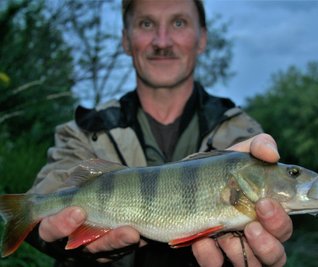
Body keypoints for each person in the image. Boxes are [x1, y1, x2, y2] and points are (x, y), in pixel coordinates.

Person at [26, 0, 293, 266]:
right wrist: (55, 239)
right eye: (146, 23)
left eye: (178, 23)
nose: (162, 41)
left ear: (202, 39)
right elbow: (42, 203)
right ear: (126, 40)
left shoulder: (243, 138)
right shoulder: (85, 132)